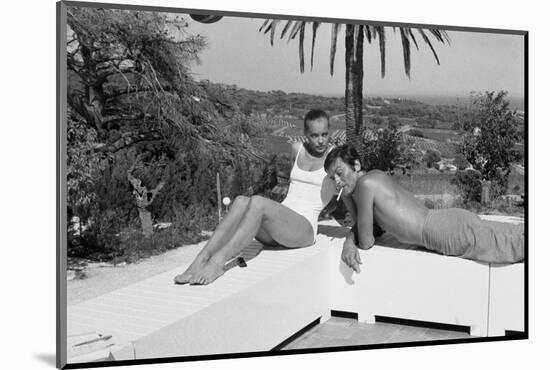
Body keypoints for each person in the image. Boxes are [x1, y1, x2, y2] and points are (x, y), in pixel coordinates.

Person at [174, 109, 335, 285]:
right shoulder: (297, 150)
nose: (321, 140)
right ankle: (201, 259)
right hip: (279, 227)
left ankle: (218, 262)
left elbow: (347, 185)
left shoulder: (335, 157)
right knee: (241, 201)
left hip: (304, 228)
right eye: (315, 135)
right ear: (305, 134)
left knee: (258, 202)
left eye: (324, 134)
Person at [323, 144, 524, 273]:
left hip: (440, 231)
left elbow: (366, 241)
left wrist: (349, 239)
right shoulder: (374, 176)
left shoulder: (365, 185)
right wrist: (349, 200)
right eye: (333, 178)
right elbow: (374, 229)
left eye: (340, 173)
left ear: (356, 165)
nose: (338, 182)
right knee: (513, 236)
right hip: (446, 222)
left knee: (514, 246)